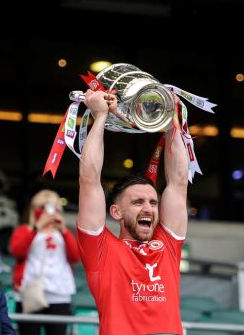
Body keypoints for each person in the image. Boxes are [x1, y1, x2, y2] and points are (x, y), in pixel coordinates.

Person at [76, 89, 189, 334]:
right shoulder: (101, 250)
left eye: (153, 202)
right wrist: (100, 116)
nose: (148, 207)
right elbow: (89, 179)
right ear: (115, 212)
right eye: (138, 202)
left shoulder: (167, 244)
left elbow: (179, 182)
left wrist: (171, 120)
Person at [9, 189, 80, 335]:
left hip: (59, 294)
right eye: (42, 208)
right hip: (30, 292)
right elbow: (17, 251)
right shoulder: (24, 230)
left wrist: (64, 230)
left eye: (53, 208)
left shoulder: (65, 233)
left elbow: (75, 257)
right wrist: (36, 228)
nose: (47, 213)